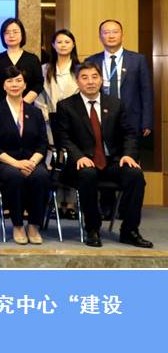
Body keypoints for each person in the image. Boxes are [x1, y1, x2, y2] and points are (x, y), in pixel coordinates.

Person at [54, 62, 152, 248]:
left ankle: (130, 230)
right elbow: (63, 139)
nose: (90, 81)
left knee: (135, 175)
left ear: (101, 80)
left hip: (111, 161)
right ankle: (92, 228)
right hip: (81, 164)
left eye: (94, 77)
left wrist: (128, 154)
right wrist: (78, 156)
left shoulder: (115, 104)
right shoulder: (66, 106)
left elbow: (129, 133)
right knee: (88, 174)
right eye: (84, 77)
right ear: (77, 81)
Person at [0, 66, 50, 245]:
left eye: (18, 81)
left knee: (41, 176)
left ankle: (34, 225)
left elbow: (42, 143)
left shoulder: (35, 112)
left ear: (25, 85)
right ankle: (18, 224)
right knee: (15, 176)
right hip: (5, 162)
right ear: (3, 86)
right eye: (10, 81)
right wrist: (16, 163)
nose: (14, 85)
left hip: (31, 161)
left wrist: (32, 162)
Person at [35, 29, 81, 219]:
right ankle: (53, 203)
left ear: (73, 44)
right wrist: (45, 114)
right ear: (53, 45)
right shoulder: (45, 69)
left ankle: (70, 204)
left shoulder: (80, 69)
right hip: (50, 121)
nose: (63, 45)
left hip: (75, 122)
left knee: (72, 158)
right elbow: (39, 97)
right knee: (54, 160)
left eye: (67, 42)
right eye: (59, 42)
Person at [86, 19, 153, 138]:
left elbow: (146, 92)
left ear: (122, 35)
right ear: (100, 37)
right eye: (106, 32)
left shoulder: (138, 60)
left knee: (130, 149)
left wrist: (147, 121)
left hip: (132, 119)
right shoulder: (91, 61)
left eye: (115, 32)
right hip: (102, 118)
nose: (111, 36)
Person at [0, 17, 43, 104]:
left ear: (22, 34)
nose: (11, 35)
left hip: (27, 107)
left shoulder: (32, 59)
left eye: (15, 32)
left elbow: (38, 84)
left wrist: (23, 103)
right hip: (0, 108)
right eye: (7, 33)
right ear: (3, 36)